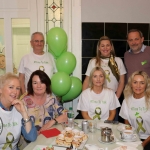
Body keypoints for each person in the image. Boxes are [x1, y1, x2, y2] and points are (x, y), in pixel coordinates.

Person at [0, 73, 37, 149]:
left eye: (18, 88)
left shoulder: (19, 107)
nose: (15, 92)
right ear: (0, 89)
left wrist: (23, 113)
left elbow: (31, 137)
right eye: (11, 87)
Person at [119, 71, 150, 150]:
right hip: (133, 138)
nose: (138, 86)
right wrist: (130, 138)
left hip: (148, 140)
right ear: (131, 84)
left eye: (142, 83)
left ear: (146, 85)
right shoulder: (126, 100)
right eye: (135, 82)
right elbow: (127, 122)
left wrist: (143, 144)